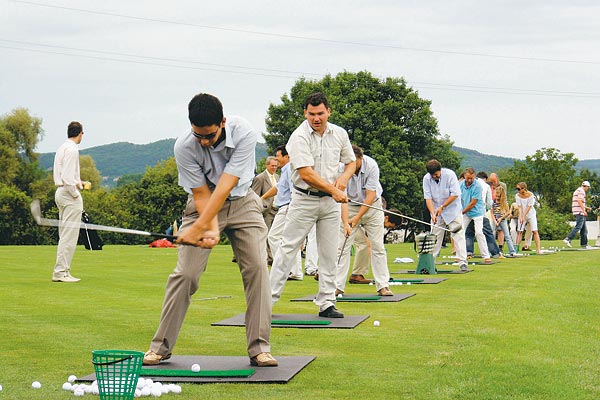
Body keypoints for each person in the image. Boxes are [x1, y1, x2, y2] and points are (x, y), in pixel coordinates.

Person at [144, 93, 276, 367]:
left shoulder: (244, 133)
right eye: (198, 136)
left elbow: (228, 183)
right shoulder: (184, 147)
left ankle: (260, 348)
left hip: (242, 201)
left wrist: (205, 227)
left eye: (210, 136)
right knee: (186, 274)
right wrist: (208, 225)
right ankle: (161, 347)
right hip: (202, 204)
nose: (204, 142)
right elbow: (202, 193)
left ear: (223, 123)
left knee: (257, 269)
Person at [270, 92, 355, 318]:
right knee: (288, 249)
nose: (316, 118)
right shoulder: (298, 137)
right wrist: (334, 190)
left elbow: (351, 162)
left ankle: (327, 302)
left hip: (329, 202)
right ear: (305, 113)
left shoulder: (339, 134)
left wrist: (344, 179)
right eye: (311, 114)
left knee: (329, 253)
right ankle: (266, 302)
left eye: (320, 113)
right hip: (303, 199)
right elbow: (306, 174)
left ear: (328, 111)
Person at [335, 145, 393, 297]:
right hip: (350, 205)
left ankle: (383, 285)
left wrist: (357, 218)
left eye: (354, 162)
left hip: (372, 206)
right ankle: (337, 286)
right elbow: (342, 198)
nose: (351, 166)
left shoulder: (371, 165)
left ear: (361, 158)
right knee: (342, 247)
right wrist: (346, 222)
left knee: (377, 246)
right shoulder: (340, 168)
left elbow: (370, 196)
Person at [52, 121, 85, 283]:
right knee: (69, 235)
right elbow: (67, 177)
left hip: (61, 192)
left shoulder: (62, 148)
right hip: (68, 194)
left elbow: (68, 175)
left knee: (65, 234)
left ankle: (63, 270)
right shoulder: (72, 150)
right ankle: (60, 272)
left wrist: (79, 183)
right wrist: (75, 193)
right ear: (80, 133)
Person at [265, 145, 303, 280]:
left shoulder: (289, 169)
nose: (277, 159)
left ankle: (283, 269)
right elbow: (278, 187)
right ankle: (295, 272)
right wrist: (262, 198)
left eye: (278, 156)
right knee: (292, 239)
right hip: (289, 206)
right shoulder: (287, 169)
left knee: (273, 237)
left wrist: (294, 207)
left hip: (288, 206)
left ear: (287, 157)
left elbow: (294, 190)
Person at [422, 160, 468, 270]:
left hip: (453, 210)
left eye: (437, 174)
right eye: (433, 175)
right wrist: (432, 213)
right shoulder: (426, 179)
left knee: (458, 235)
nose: (435, 177)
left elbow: (455, 194)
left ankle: (462, 261)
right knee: (434, 237)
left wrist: (442, 207)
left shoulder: (450, 175)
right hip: (437, 212)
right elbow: (427, 198)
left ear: (440, 170)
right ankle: (430, 263)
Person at [460, 167, 492, 264]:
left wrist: (461, 212)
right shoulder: (461, 185)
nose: (469, 180)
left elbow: (473, 203)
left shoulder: (478, 186)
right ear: (465, 176)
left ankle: (486, 256)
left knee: (478, 233)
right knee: (460, 232)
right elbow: (459, 198)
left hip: (477, 211)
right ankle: (460, 255)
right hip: (466, 211)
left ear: (474, 177)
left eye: (471, 178)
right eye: (468, 178)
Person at [252, 156, 279, 264]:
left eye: (276, 166)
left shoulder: (277, 177)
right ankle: (267, 257)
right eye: (272, 165)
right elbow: (255, 195)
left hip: (277, 210)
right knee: (266, 235)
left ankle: (272, 257)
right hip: (266, 211)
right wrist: (261, 208)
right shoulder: (260, 178)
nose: (274, 168)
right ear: (266, 165)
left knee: (274, 235)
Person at [515, 182, 542, 254]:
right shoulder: (517, 196)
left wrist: (524, 216)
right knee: (520, 231)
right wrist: (521, 216)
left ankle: (539, 250)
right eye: (517, 189)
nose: (518, 190)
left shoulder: (531, 195)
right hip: (522, 214)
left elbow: (529, 207)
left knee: (534, 231)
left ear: (524, 188)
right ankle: (516, 249)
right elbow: (519, 206)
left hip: (531, 214)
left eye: (519, 189)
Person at [563, 181, 592, 248]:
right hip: (580, 212)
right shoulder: (581, 191)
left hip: (577, 210)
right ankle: (568, 238)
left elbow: (578, 201)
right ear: (586, 186)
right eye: (588, 187)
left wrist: (586, 207)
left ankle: (584, 244)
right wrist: (583, 210)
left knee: (584, 229)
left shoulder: (577, 190)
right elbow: (579, 201)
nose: (588, 189)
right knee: (578, 226)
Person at [492, 185, 516, 256]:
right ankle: (492, 251)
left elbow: (508, 212)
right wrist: (495, 220)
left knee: (507, 235)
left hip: (503, 220)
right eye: (496, 195)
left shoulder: (505, 202)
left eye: (498, 196)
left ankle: (512, 251)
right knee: (492, 234)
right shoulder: (493, 202)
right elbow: (492, 212)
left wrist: (500, 219)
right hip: (494, 220)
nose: (497, 197)